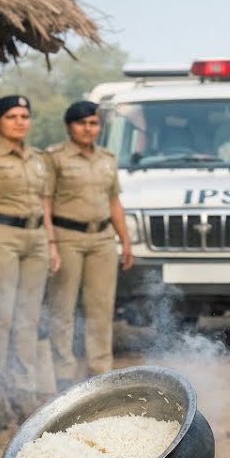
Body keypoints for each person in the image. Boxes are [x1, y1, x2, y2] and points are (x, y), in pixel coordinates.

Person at [0, 95, 61, 424]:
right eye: (11, 116)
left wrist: (51, 244)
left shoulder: (37, 158)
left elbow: (44, 207)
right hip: (1, 235)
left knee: (28, 320)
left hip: (35, 238)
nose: (20, 121)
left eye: (24, 115)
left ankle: (25, 397)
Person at [45, 100, 134, 390]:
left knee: (101, 307)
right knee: (63, 307)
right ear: (70, 126)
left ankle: (100, 371)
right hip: (66, 236)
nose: (88, 128)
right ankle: (64, 373)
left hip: (102, 240)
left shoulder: (107, 158)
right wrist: (50, 242)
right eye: (82, 123)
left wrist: (125, 240)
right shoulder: (54, 158)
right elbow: (45, 203)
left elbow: (114, 202)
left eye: (93, 123)